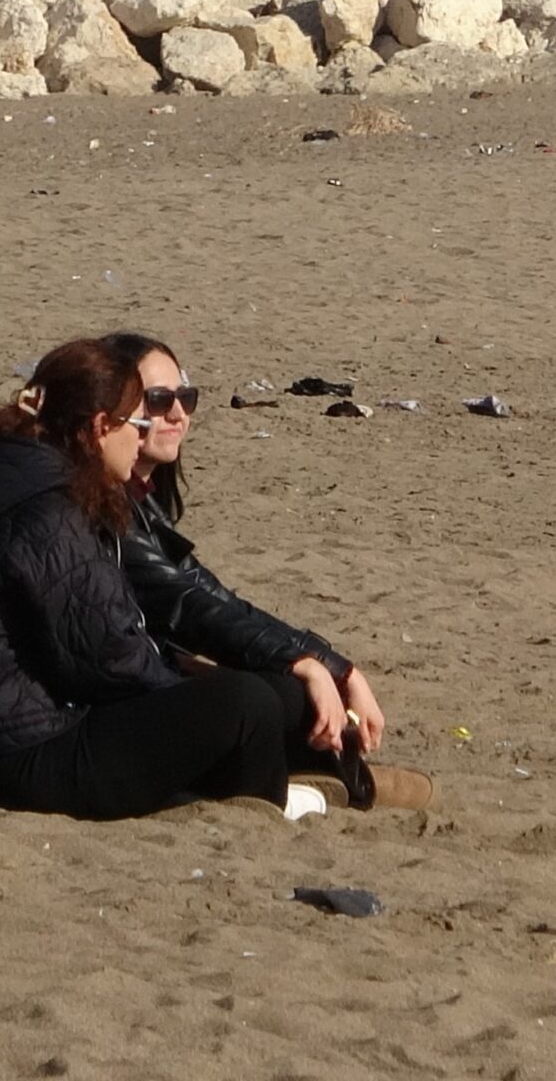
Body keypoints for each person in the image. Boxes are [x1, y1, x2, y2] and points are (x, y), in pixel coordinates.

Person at [0, 336, 423, 819]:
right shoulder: (48, 512)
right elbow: (110, 659)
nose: (149, 429)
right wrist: (195, 690)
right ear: (100, 428)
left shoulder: (38, 488)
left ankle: (321, 779)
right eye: (137, 422)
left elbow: (114, 632)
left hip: (15, 729)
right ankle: (273, 800)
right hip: (14, 749)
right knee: (243, 705)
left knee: (267, 694)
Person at [98, 331, 426, 810]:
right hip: (109, 706)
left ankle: (336, 776)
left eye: (187, 398)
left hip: (144, 675)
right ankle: (337, 787)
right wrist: (308, 665)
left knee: (289, 691)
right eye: (159, 400)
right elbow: (186, 607)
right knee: (271, 698)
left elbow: (207, 592)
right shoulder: (101, 506)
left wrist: (331, 665)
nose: (178, 414)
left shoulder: (140, 499)